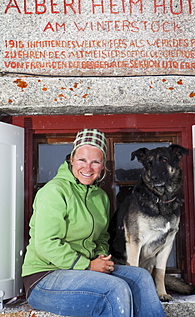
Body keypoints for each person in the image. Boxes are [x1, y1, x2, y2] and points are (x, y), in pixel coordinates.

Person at [22, 128, 166, 317]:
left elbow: (102, 238)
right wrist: (88, 265)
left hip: (84, 271)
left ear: (103, 165)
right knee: (114, 288)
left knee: (140, 277)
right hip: (46, 277)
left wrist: (100, 260)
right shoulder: (54, 192)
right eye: (82, 160)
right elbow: (46, 244)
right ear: (71, 159)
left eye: (95, 162)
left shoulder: (100, 197)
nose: (88, 168)